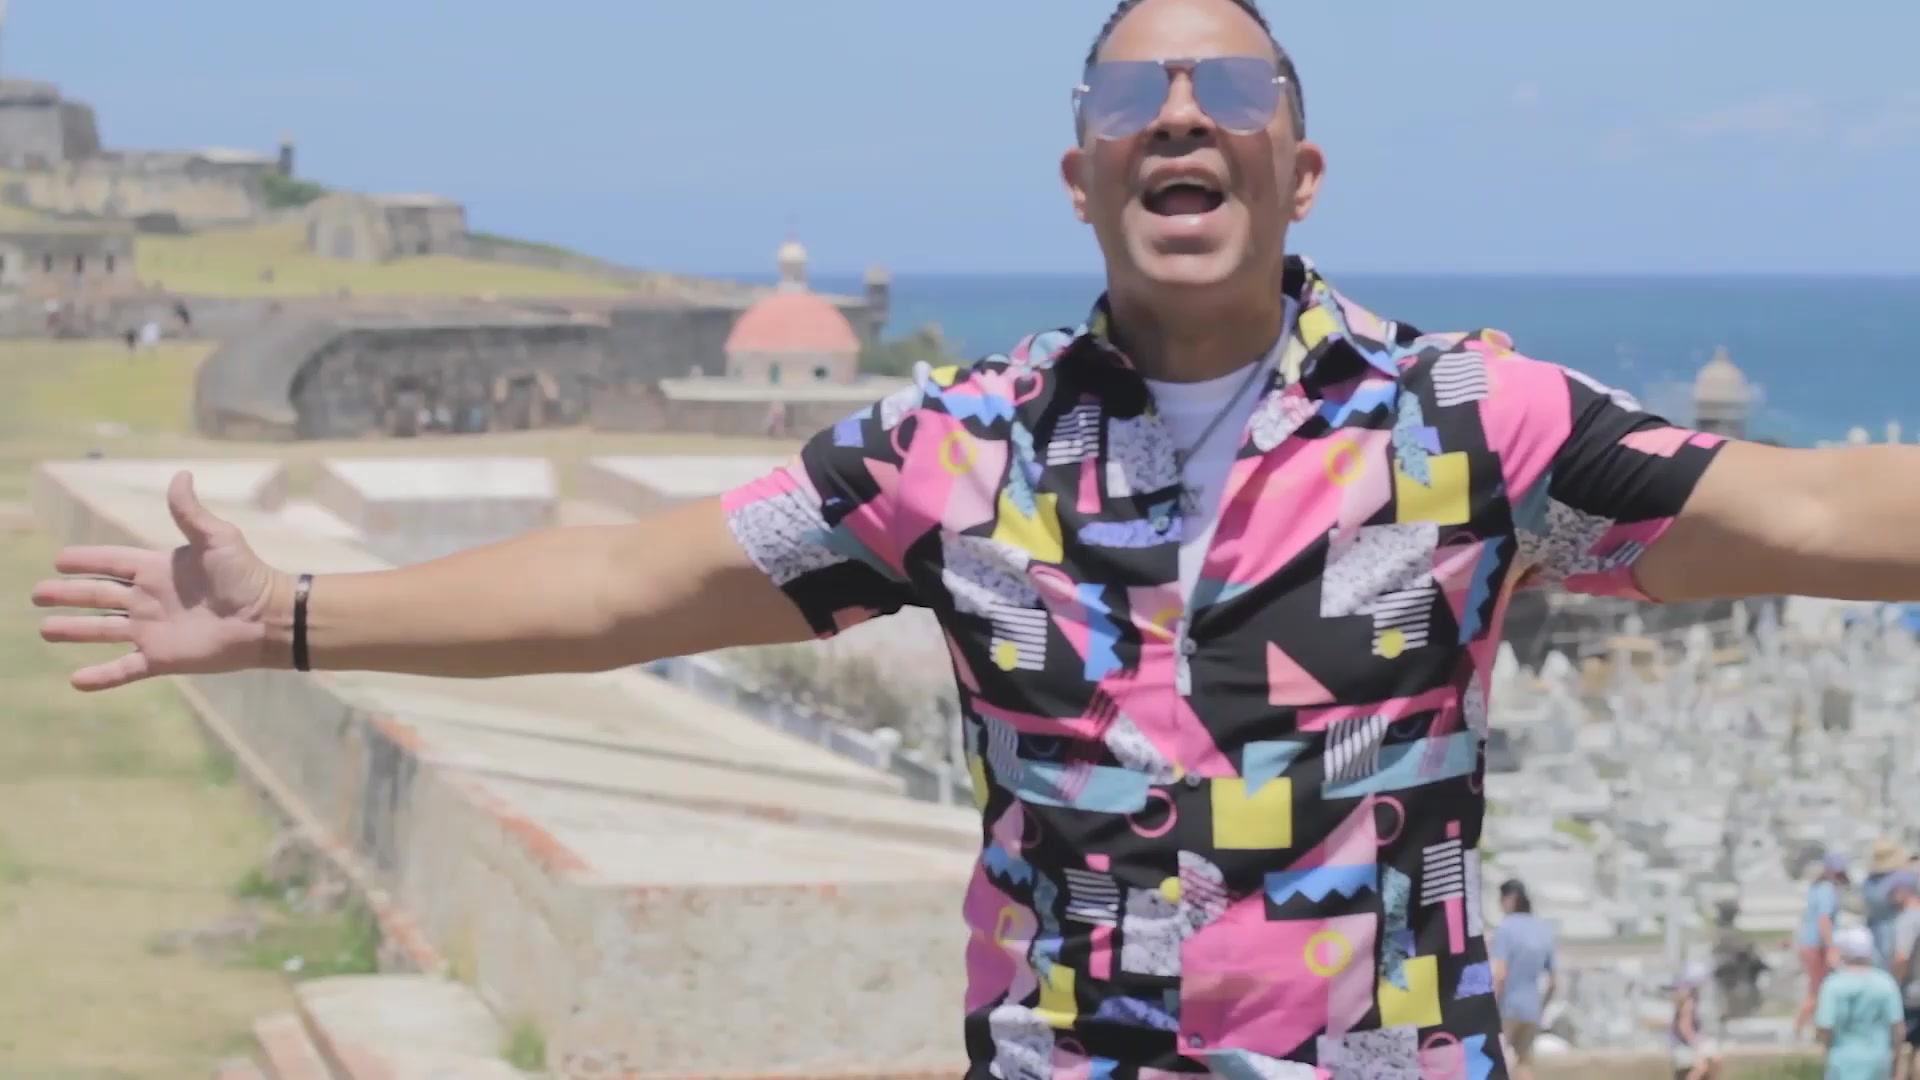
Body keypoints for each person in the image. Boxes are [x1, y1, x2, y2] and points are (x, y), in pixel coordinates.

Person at [27, 0, 1920, 1075]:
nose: (1179, 119)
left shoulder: (1474, 425)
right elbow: (623, 583)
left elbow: (1822, 509)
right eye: (1128, 100)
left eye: (1232, 92)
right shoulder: (953, 450)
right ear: (1080, 175)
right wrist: (292, 614)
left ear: (1301, 168)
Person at [1490, 880, 1557, 1080]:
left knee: (1497, 1060)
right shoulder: (1543, 930)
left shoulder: (1505, 928)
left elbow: (1500, 974)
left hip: (1508, 1008)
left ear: (1510, 899)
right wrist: (1541, 1008)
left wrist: (1489, 1006)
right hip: (1532, 1009)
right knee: (1524, 1063)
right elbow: (1554, 982)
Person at [1818, 926, 1904, 1080]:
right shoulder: (1886, 983)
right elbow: (1897, 1027)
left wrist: (1825, 1048)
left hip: (1842, 1059)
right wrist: (1896, 1058)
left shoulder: (1833, 985)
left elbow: (1825, 1026)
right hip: (1878, 1059)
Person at [1803, 852, 1853, 1039]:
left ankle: (1818, 1030)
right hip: (1817, 945)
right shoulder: (1826, 890)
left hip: (1812, 943)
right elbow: (1823, 920)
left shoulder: (1818, 888)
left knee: (1819, 990)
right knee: (1817, 992)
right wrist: (1831, 946)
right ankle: (1798, 1030)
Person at [1887, 873, 1920, 1080]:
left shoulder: (1908, 919)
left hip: (1911, 993)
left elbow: (1901, 957)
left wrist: (1891, 982)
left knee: (1900, 1049)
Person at [1671, 961, 1722, 1080]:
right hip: (1683, 1046)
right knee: (1702, 1066)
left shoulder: (1688, 998)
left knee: (1713, 1060)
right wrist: (1696, 1041)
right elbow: (1684, 1027)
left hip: (1685, 1044)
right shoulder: (1687, 1001)